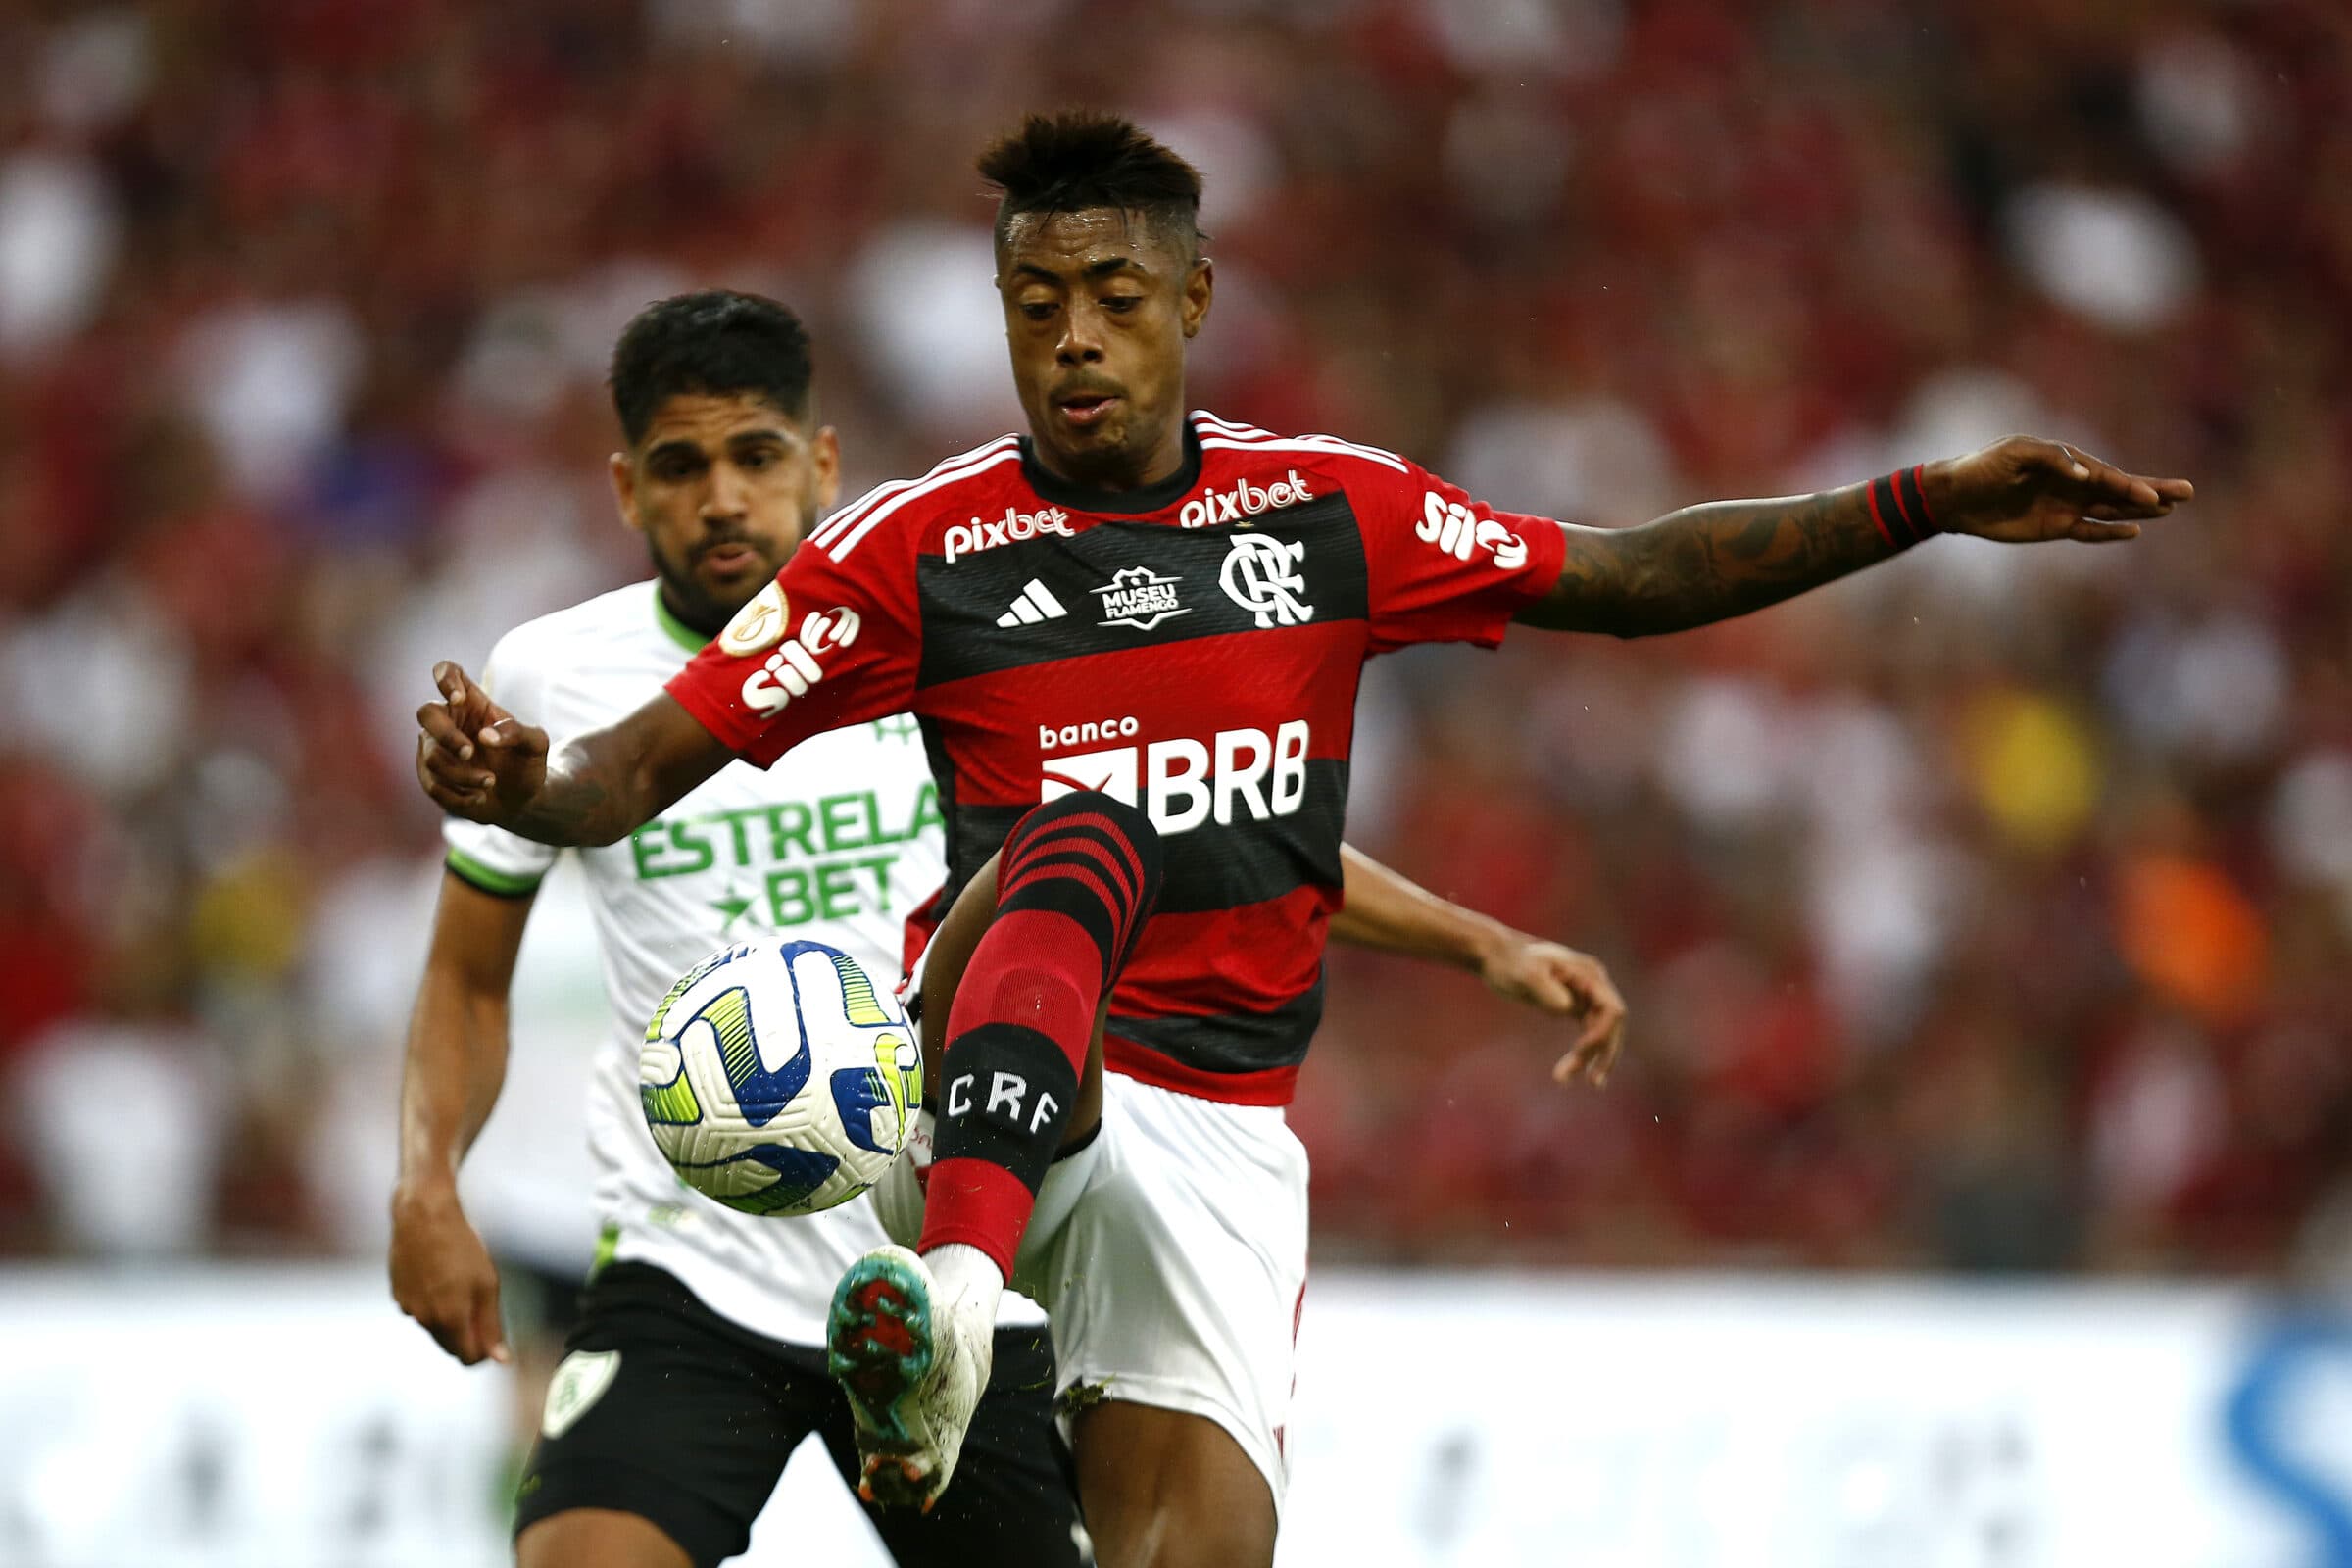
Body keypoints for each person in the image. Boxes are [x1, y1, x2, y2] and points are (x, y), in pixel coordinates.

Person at [414, 112, 2187, 1568]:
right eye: (1037, 304)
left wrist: (1925, 504)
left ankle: (963, 1337)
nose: (1076, 338)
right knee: (1076, 840)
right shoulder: (911, 550)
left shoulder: (1329, 515)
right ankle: (951, 1306)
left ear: (1195, 296)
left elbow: (1633, 581)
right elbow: (631, 771)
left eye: (1114, 295)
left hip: (1224, 1133)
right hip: (982, 1090)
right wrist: (522, 790)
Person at [394, 287, 1625, 1568]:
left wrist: (1475, 940)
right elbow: (467, 981)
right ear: (623, 489)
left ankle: (945, 1317)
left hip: (944, 1245)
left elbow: (1198, 833)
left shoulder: (935, 632)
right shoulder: (560, 683)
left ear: (820, 463)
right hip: (691, 1270)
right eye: (680, 466)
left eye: (755, 458)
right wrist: (426, 1182)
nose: (721, 500)